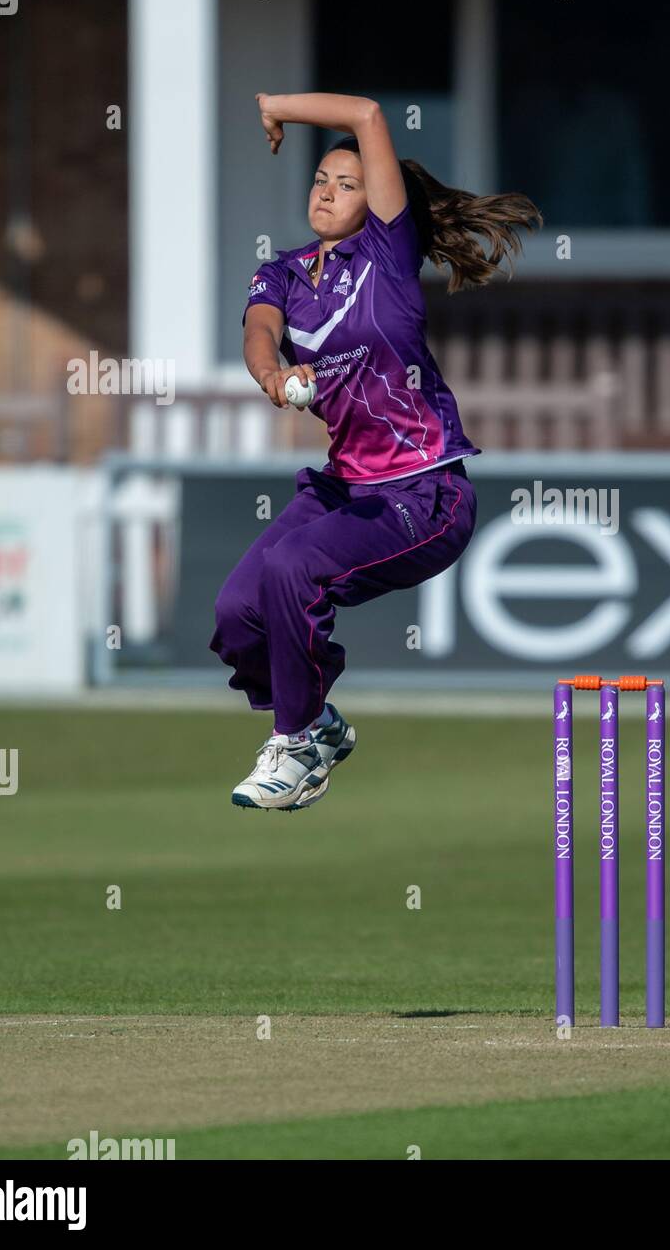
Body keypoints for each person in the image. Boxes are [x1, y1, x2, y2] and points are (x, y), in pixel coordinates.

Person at [211, 92, 541, 811]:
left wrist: (273, 107)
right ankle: (319, 722)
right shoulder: (286, 270)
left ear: (377, 204)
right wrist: (271, 372)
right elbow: (258, 330)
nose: (327, 192)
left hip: (425, 494)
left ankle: (294, 746)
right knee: (238, 611)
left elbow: (363, 113)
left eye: (347, 183)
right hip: (345, 487)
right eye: (320, 180)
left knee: (294, 568)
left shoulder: (387, 257)